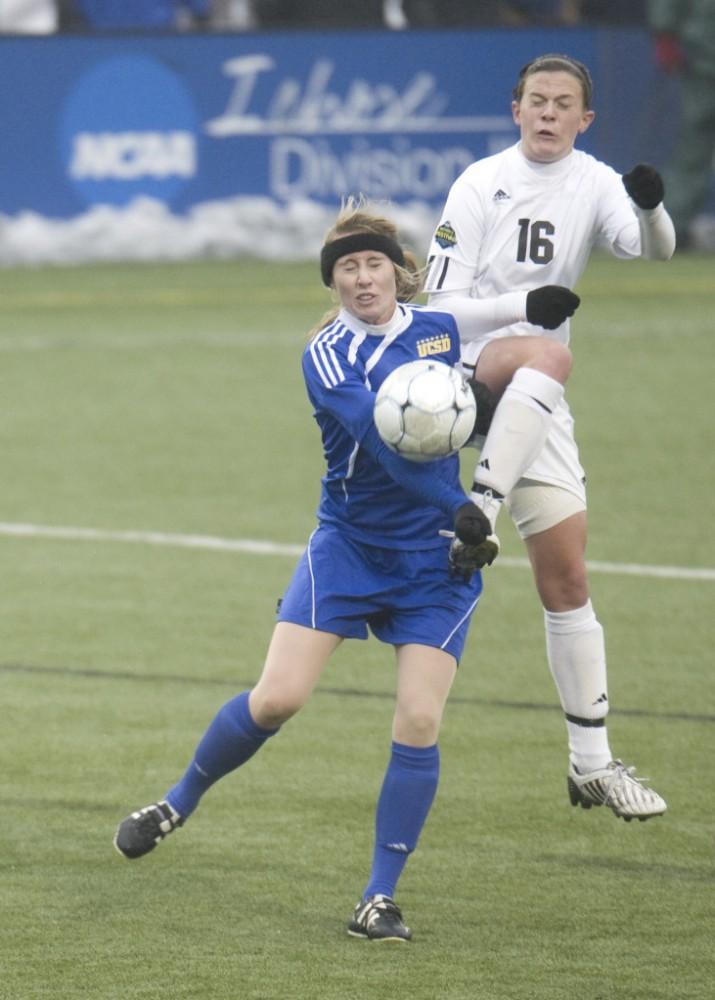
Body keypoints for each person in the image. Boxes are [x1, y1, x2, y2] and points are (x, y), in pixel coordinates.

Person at [114, 201, 512, 943]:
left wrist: (488, 480)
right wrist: (463, 503)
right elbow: (387, 443)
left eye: (373, 264)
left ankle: (378, 899)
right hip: (350, 548)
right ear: (331, 283)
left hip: (433, 559)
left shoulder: (438, 331)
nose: (362, 279)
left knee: (420, 720)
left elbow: (472, 406)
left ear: (397, 270)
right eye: (346, 269)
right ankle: (176, 801)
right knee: (277, 700)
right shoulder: (326, 356)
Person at [424, 53, 673, 822]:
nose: (548, 113)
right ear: (515, 108)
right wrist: (521, 306)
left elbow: (653, 251)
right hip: (463, 374)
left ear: (583, 119)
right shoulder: (477, 182)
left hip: (540, 396)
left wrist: (652, 208)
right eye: (536, 100)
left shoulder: (593, 181)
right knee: (548, 348)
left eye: (563, 104)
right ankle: (481, 511)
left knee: (565, 578)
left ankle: (590, 764)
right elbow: (434, 310)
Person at [647, 0, 715, 248]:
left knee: (692, 151)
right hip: (703, 54)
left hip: (702, 48)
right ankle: (671, 230)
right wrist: (665, 35)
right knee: (693, 150)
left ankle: (672, 228)